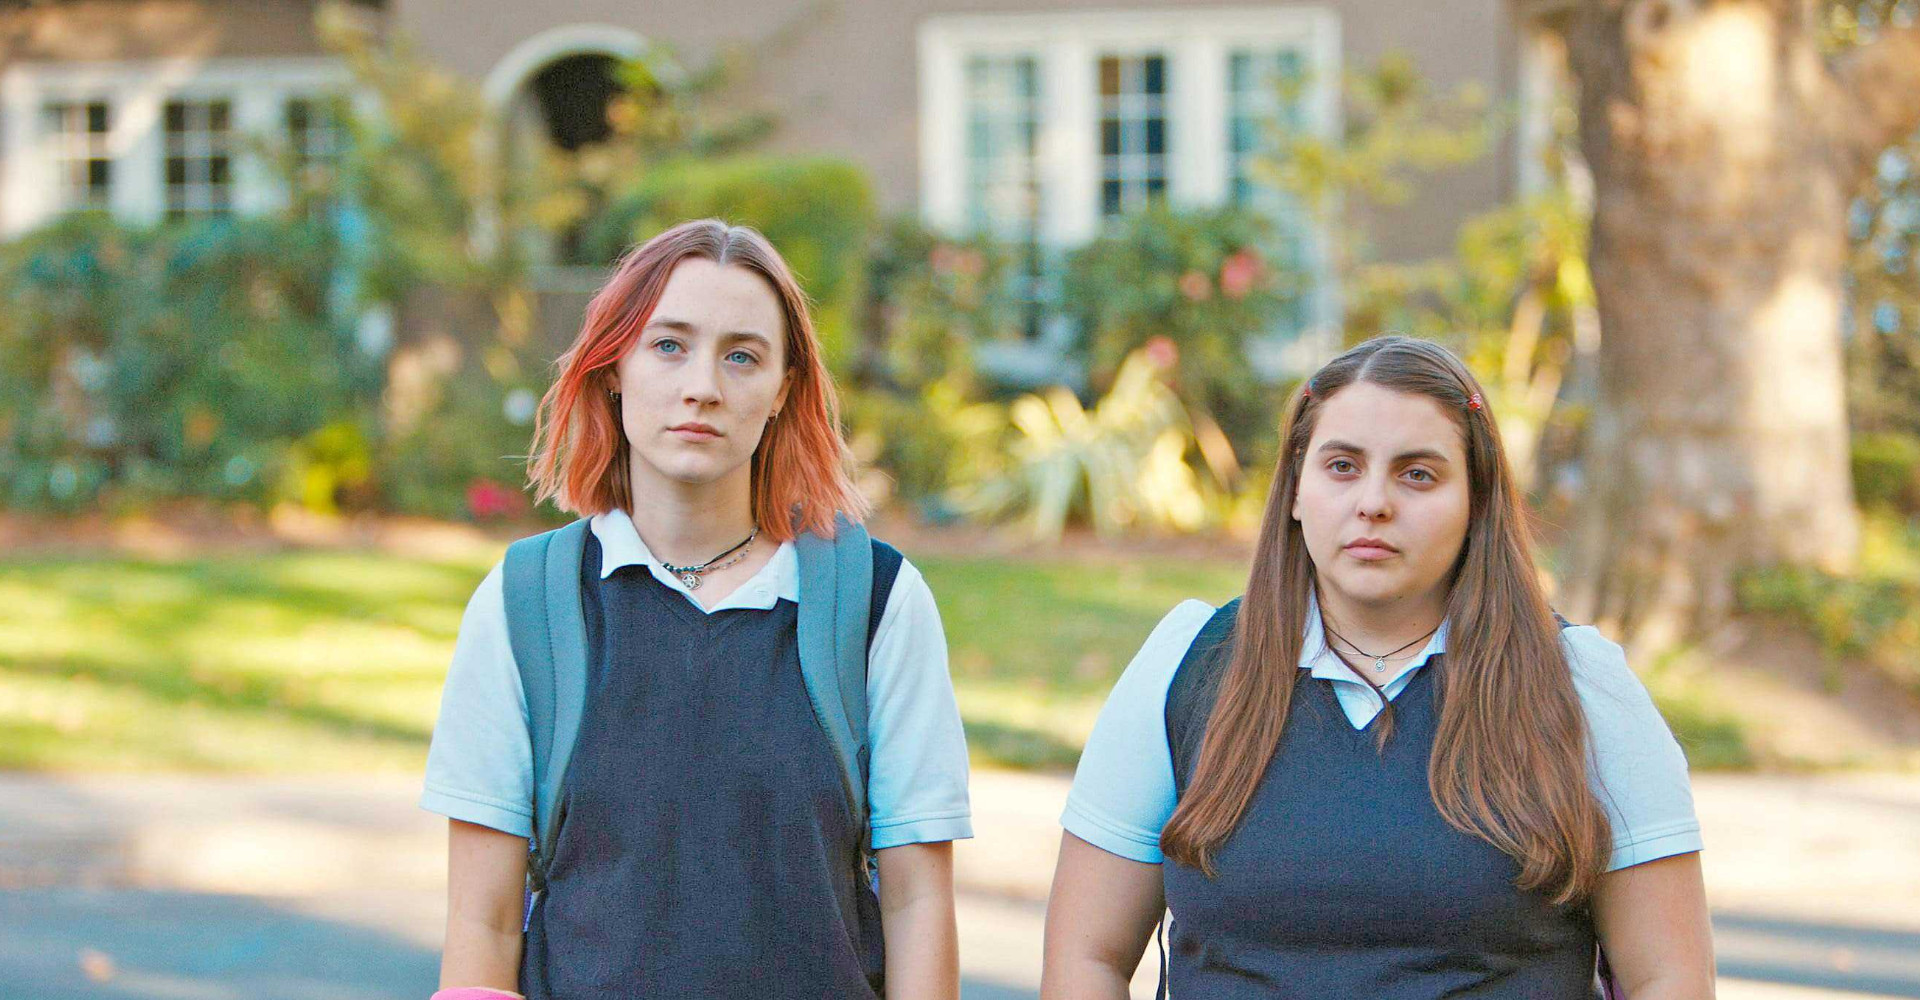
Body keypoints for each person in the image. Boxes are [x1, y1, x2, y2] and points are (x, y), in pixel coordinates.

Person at [1040, 335, 1713, 999]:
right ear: (1297, 490)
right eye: (1342, 466)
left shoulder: (1579, 685)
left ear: (1477, 501)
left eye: (1417, 473)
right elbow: (1085, 956)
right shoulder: (1190, 664)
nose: (1373, 502)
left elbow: (1669, 977)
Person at [420, 220, 971, 999]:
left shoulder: (874, 601)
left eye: (742, 355)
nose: (703, 386)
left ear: (784, 388)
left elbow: (918, 901)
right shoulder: (526, 604)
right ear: (614, 368)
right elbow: (484, 924)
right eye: (669, 345)